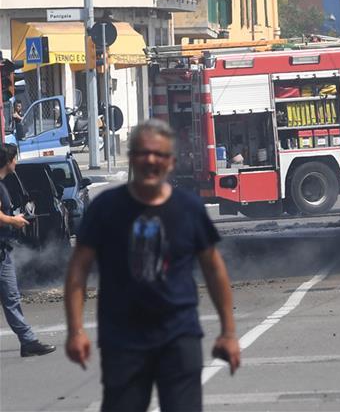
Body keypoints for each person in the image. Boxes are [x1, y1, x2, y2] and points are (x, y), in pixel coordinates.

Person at [64, 119, 240, 412]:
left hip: (179, 337)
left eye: (159, 155)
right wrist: (75, 330)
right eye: (143, 153)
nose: (150, 160)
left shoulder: (189, 209)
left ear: (170, 162)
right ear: (132, 158)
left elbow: (214, 269)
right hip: (123, 340)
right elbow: (78, 269)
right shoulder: (105, 208)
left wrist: (229, 333)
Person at [0, 144, 57, 357]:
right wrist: (13, 220)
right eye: (15, 158)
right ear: (8, 160)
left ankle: (28, 341)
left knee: (12, 298)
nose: (17, 162)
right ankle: (28, 341)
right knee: (11, 298)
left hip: (3, 253)